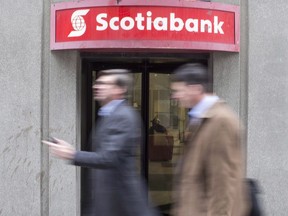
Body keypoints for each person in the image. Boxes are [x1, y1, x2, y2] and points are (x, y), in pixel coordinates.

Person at [43, 69, 159, 216]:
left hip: (123, 205)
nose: (96, 87)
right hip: (108, 203)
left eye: (105, 84)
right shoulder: (108, 114)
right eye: (97, 83)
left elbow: (109, 158)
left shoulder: (124, 116)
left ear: (120, 89)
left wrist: (72, 154)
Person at [170, 63, 250, 216]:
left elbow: (222, 182)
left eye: (179, 90)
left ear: (196, 89)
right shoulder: (200, 118)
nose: (176, 96)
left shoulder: (221, 121)